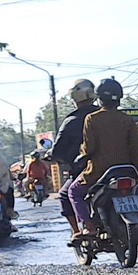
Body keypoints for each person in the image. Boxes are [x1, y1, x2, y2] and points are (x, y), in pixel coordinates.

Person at [68, 77, 138, 238]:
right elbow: (136, 148)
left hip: (99, 171)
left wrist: (82, 154)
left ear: (99, 98)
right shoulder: (127, 119)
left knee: (73, 192)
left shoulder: (92, 118)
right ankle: (137, 224)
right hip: (127, 170)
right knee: (134, 188)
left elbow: (89, 147)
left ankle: (89, 227)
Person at [47, 80, 97, 237]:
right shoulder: (106, 115)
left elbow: (58, 150)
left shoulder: (72, 121)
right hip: (116, 167)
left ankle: (79, 230)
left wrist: (54, 156)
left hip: (86, 170)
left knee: (65, 194)